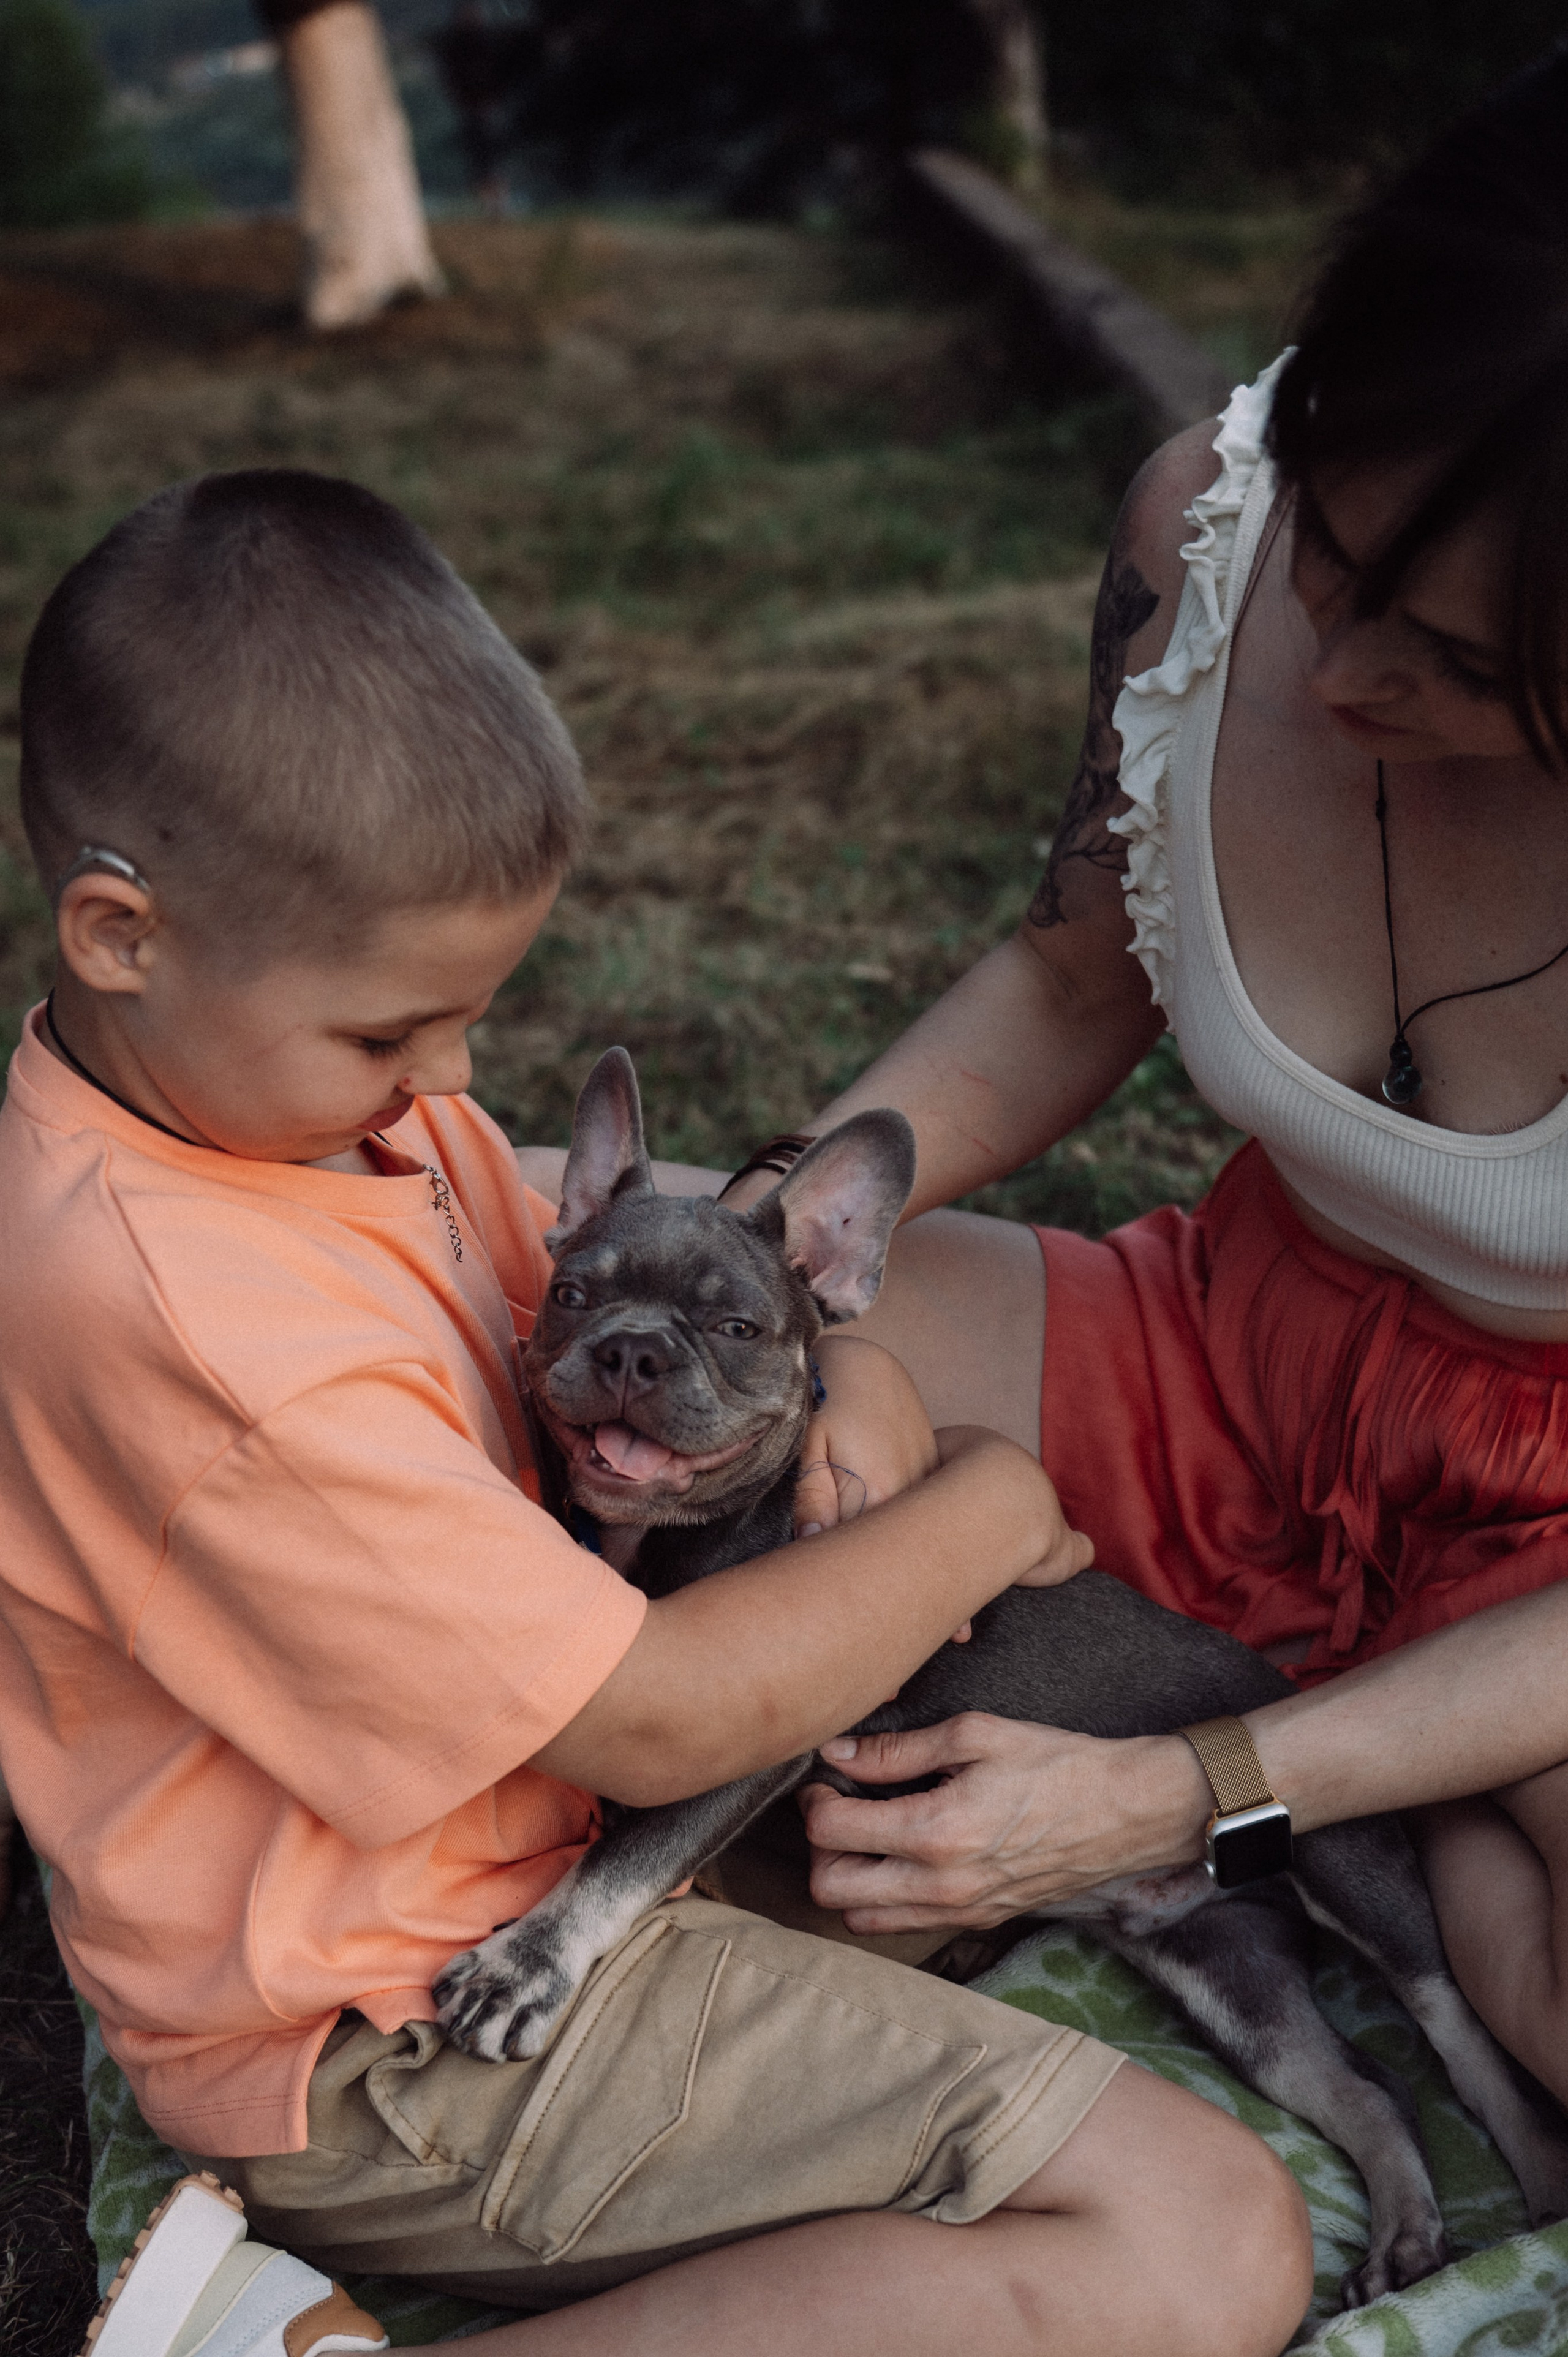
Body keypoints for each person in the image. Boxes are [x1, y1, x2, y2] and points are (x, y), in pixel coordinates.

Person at [0, 472, 1309, 2357]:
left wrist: (846, 1359)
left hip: (513, 1868)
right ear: (121, 934)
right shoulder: (197, 1331)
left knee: (957, 1836)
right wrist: (994, 1501)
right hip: (398, 2024)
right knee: (1205, 2243)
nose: (449, 1083)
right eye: (393, 1033)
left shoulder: (263, 1127)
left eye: (471, 1017)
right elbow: (676, 1706)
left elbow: (652, 1287)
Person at [696, 47, 1568, 2114]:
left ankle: (1430, 1782)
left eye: (1461, 669)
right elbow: (1072, 980)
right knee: (495, 1287)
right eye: (1342, 565)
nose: (1346, 673)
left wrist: (1187, 1790)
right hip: (1223, 1355)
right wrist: (781, 1264)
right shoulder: (1204, 522)